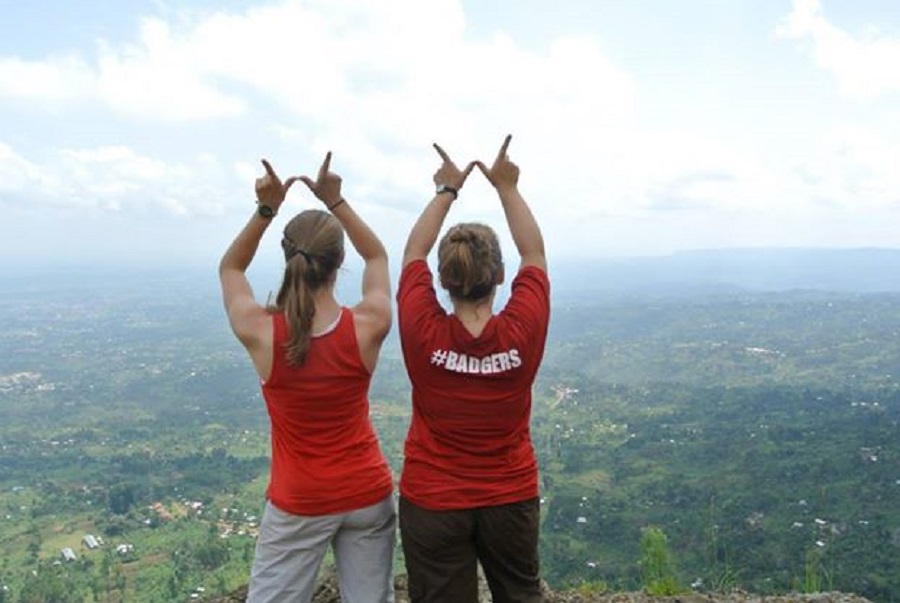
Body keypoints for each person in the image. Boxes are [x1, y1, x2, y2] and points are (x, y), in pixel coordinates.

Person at [218, 153, 396, 603]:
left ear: (287, 257)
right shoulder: (368, 324)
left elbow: (231, 269)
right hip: (367, 494)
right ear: (339, 262)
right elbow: (376, 253)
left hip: (299, 500)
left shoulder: (261, 332)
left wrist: (266, 209)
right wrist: (336, 201)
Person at [396, 135, 550, 603]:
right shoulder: (522, 329)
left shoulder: (423, 330)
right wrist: (507, 187)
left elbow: (412, 255)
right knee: (520, 595)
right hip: (510, 496)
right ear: (499, 276)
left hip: (432, 500)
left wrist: (446, 190)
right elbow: (534, 255)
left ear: (442, 282)